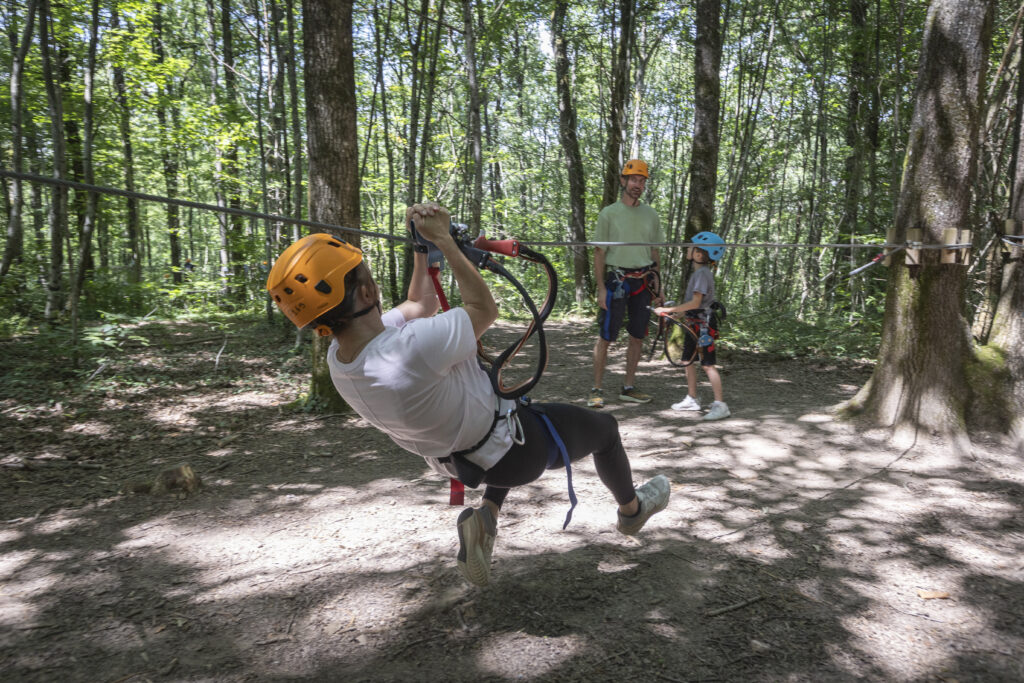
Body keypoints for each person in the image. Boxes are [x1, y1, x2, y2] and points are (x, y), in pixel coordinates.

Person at [266, 202, 670, 587]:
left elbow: (418, 303)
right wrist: (444, 241)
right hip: (515, 450)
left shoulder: (343, 360)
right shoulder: (411, 349)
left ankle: (487, 517)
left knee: (497, 426)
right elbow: (483, 308)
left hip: (459, 461)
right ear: (369, 293)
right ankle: (632, 511)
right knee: (605, 429)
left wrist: (422, 248)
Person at [590, 159, 663, 408]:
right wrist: (601, 288)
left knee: (637, 336)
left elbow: (655, 252)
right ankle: (596, 389)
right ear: (623, 181)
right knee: (606, 336)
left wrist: (658, 286)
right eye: (633, 179)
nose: (638, 185)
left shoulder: (650, 214)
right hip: (616, 281)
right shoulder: (609, 213)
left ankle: (628, 387)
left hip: (643, 281)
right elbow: (599, 252)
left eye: (642, 181)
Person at [654, 231, 730, 421]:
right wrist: (678, 313)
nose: (688, 249)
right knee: (687, 361)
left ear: (698, 254)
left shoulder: (702, 274)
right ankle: (692, 399)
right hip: (694, 322)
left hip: (703, 325)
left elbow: (696, 303)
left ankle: (721, 405)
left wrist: (668, 309)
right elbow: (696, 305)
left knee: (708, 365)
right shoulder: (699, 273)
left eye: (691, 247)